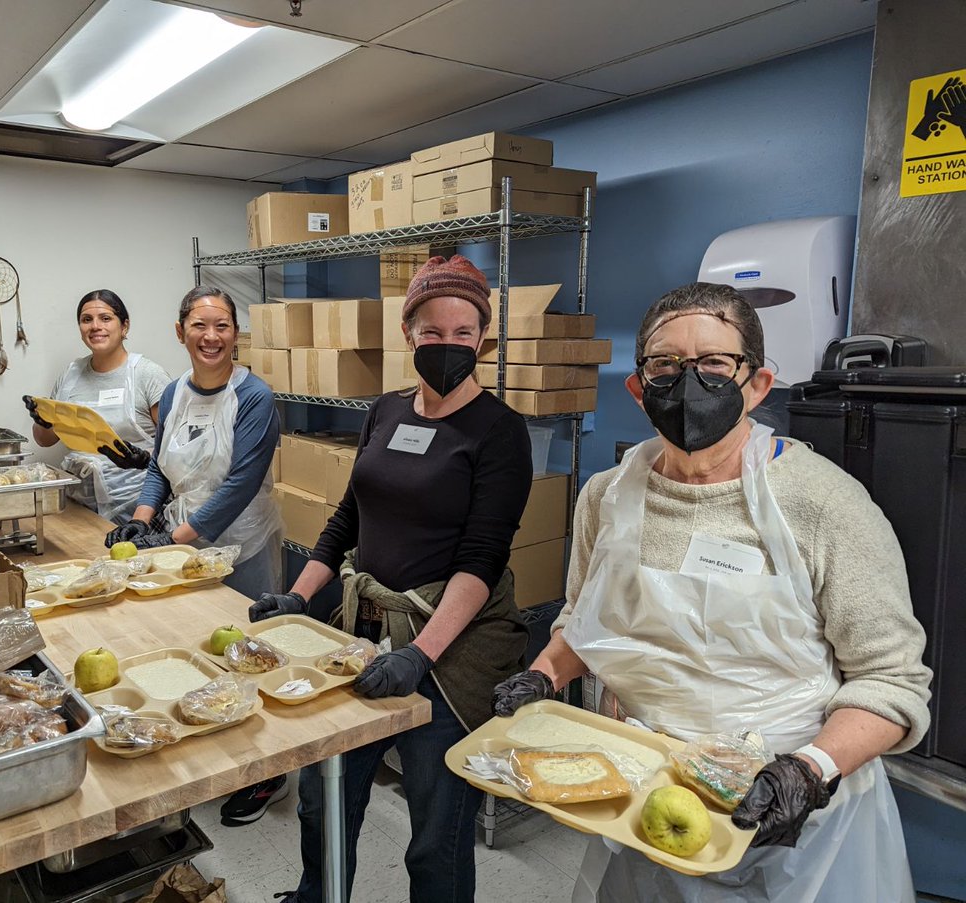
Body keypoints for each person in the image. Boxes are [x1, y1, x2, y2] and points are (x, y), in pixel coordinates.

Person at [492, 282, 933, 903]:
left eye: (714, 365)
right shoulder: (607, 496)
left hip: (797, 824)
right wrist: (543, 674)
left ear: (757, 384)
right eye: (665, 365)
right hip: (649, 795)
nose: (687, 382)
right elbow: (585, 622)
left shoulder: (823, 505)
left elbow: (892, 682)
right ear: (638, 387)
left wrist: (807, 773)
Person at [250, 255, 534, 902]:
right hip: (363, 631)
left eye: (465, 334)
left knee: (435, 834)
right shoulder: (383, 411)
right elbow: (350, 514)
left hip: (449, 650)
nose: (448, 345)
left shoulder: (499, 431)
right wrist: (299, 594)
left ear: (483, 339)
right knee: (325, 796)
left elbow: (482, 561)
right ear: (408, 332)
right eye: (433, 331)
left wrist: (419, 654)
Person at [105, 285, 284, 601]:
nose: (211, 337)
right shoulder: (174, 393)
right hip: (183, 542)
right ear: (180, 331)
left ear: (235, 333)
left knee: (243, 633)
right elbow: (160, 468)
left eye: (222, 326)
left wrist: (172, 539)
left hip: (242, 543)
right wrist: (140, 521)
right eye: (199, 325)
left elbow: (241, 485)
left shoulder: (255, 397)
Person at [22, 289, 170, 524]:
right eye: (86, 319)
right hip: (81, 506)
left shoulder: (146, 374)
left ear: (125, 326)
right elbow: (45, 440)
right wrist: (42, 420)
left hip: (140, 508)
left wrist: (144, 457)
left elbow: (176, 445)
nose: (95, 326)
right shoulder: (71, 374)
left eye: (106, 318)